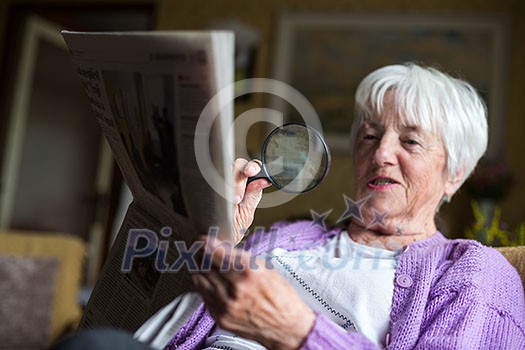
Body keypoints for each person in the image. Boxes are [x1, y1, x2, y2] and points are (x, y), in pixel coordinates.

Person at [165, 63, 525, 350]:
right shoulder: (286, 236)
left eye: (411, 141)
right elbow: (158, 313)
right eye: (369, 136)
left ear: (456, 172)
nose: (381, 153)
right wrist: (215, 235)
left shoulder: (478, 274)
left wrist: (299, 333)